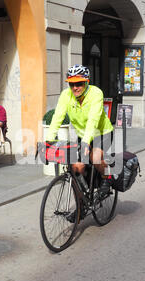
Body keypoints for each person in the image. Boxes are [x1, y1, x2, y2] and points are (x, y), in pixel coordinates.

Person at [45, 64, 114, 196]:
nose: (75, 88)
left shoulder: (96, 93)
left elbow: (93, 120)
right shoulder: (66, 95)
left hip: (101, 133)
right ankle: (82, 202)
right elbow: (57, 117)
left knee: (95, 156)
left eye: (79, 83)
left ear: (87, 82)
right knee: (76, 167)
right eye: (71, 84)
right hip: (82, 135)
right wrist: (49, 140)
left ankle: (107, 178)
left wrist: (87, 142)